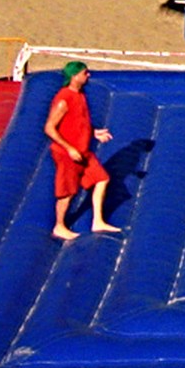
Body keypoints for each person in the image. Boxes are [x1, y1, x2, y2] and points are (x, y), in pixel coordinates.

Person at [44, 62, 120, 240]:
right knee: (68, 191)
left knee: (102, 179)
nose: (88, 76)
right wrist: (69, 148)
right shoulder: (64, 99)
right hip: (67, 153)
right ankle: (59, 226)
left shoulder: (80, 95)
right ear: (74, 76)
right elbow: (49, 127)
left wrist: (94, 132)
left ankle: (98, 221)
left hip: (83, 151)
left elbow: (77, 122)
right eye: (85, 73)